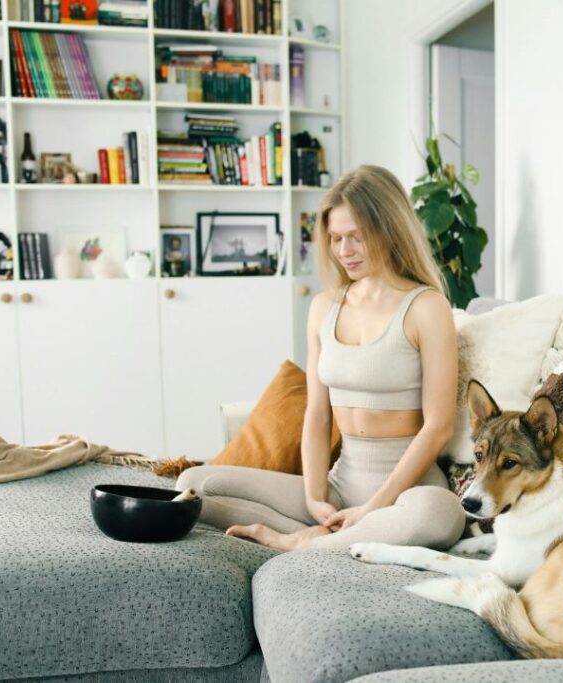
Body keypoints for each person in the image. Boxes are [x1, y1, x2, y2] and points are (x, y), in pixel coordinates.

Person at [175, 165, 465, 551]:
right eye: (335, 238)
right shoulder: (324, 307)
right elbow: (317, 415)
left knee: (441, 514)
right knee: (193, 484)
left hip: (406, 494)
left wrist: (373, 509)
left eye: (356, 237)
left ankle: (301, 543)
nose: (344, 251)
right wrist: (315, 499)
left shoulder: (427, 307)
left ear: (389, 229)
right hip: (341, 486)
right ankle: (329, 531)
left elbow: (439, 426)